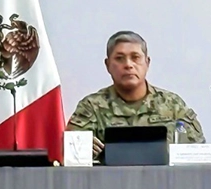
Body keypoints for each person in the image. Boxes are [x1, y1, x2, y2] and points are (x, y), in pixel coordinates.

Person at [66, 31, 203, 158]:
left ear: (147, 63)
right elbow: (70, 152)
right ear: (108, 65)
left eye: (135, 57)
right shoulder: (91, 107)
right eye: (119, 58)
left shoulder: (172, 105)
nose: (128, 65)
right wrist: (82, 148)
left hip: (164, 181)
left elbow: (197, 148)